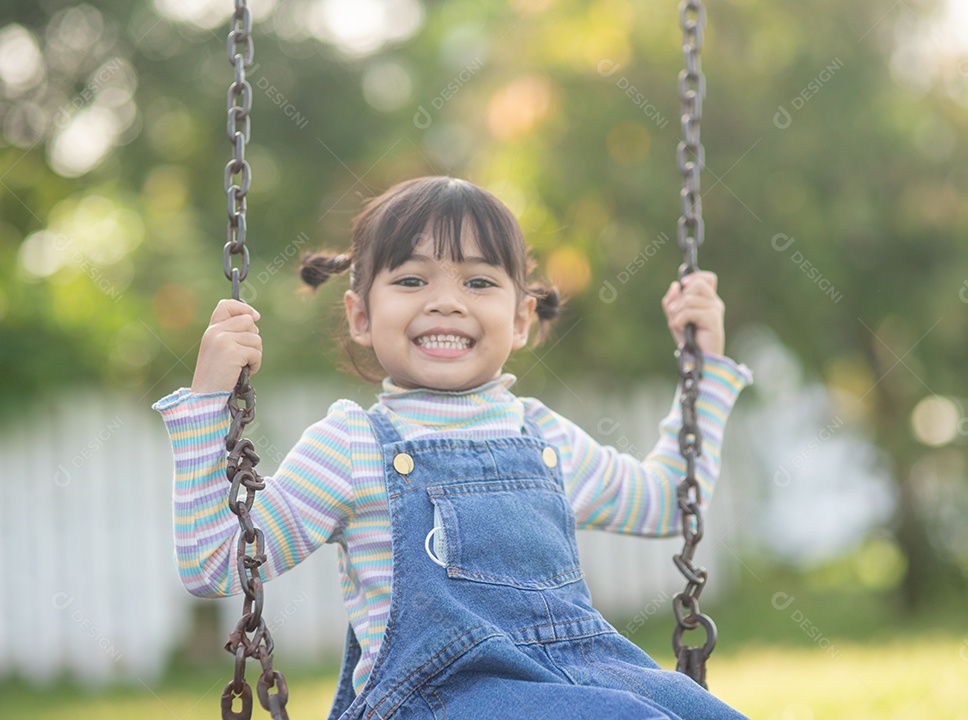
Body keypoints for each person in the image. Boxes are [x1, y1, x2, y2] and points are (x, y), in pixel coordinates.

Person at [154, 176, 752, 720]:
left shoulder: (543, 436)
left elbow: (669, 502)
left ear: (520, 319)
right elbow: (215, 563)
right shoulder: (350, 446)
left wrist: (707, 370)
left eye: (479, 281)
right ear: (361, 315)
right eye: (412, 280)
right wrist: (209, 404)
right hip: (441, 698)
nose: (446, 301)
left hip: (580, 680)